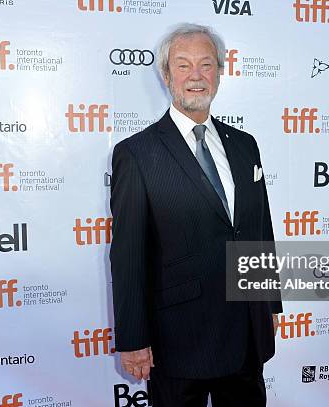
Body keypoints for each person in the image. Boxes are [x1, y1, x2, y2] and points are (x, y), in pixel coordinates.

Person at [109, 22, 282, 407]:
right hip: (177, 341)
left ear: (220, 73)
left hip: (246, 335)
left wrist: (268, 304)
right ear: (167, 76)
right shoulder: (136, 154)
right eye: (183, 65)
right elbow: (128, 255)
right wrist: (134, 339)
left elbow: (258, 229)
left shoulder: (244, 145)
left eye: (206, 65)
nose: (196, 76)